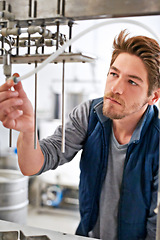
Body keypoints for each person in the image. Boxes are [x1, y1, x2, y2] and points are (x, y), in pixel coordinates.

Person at [0, 29, 159, 240]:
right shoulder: (89, 115)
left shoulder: (157, 141)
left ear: (153, 96)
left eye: (132, 82)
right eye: (114, 74)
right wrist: (28, 130)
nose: (116, 88)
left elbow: (155, 228)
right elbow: (32, 165)